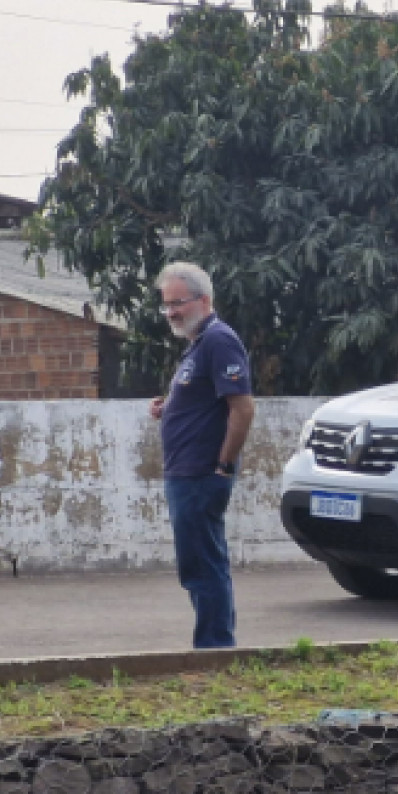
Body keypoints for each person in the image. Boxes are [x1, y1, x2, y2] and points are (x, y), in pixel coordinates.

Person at [148, 262, 254, 649]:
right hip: (186, 472)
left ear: (203, 300)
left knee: (202, 565)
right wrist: (169, 405)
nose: (171, 312)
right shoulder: (198, 343)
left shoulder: (219, 340)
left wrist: (223, 466)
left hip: (201, 473)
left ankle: (215, 649)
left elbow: (242, 408)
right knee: (198, 563)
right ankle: (214, 644)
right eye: (166, 305)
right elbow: (204, 398)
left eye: (178, 303)